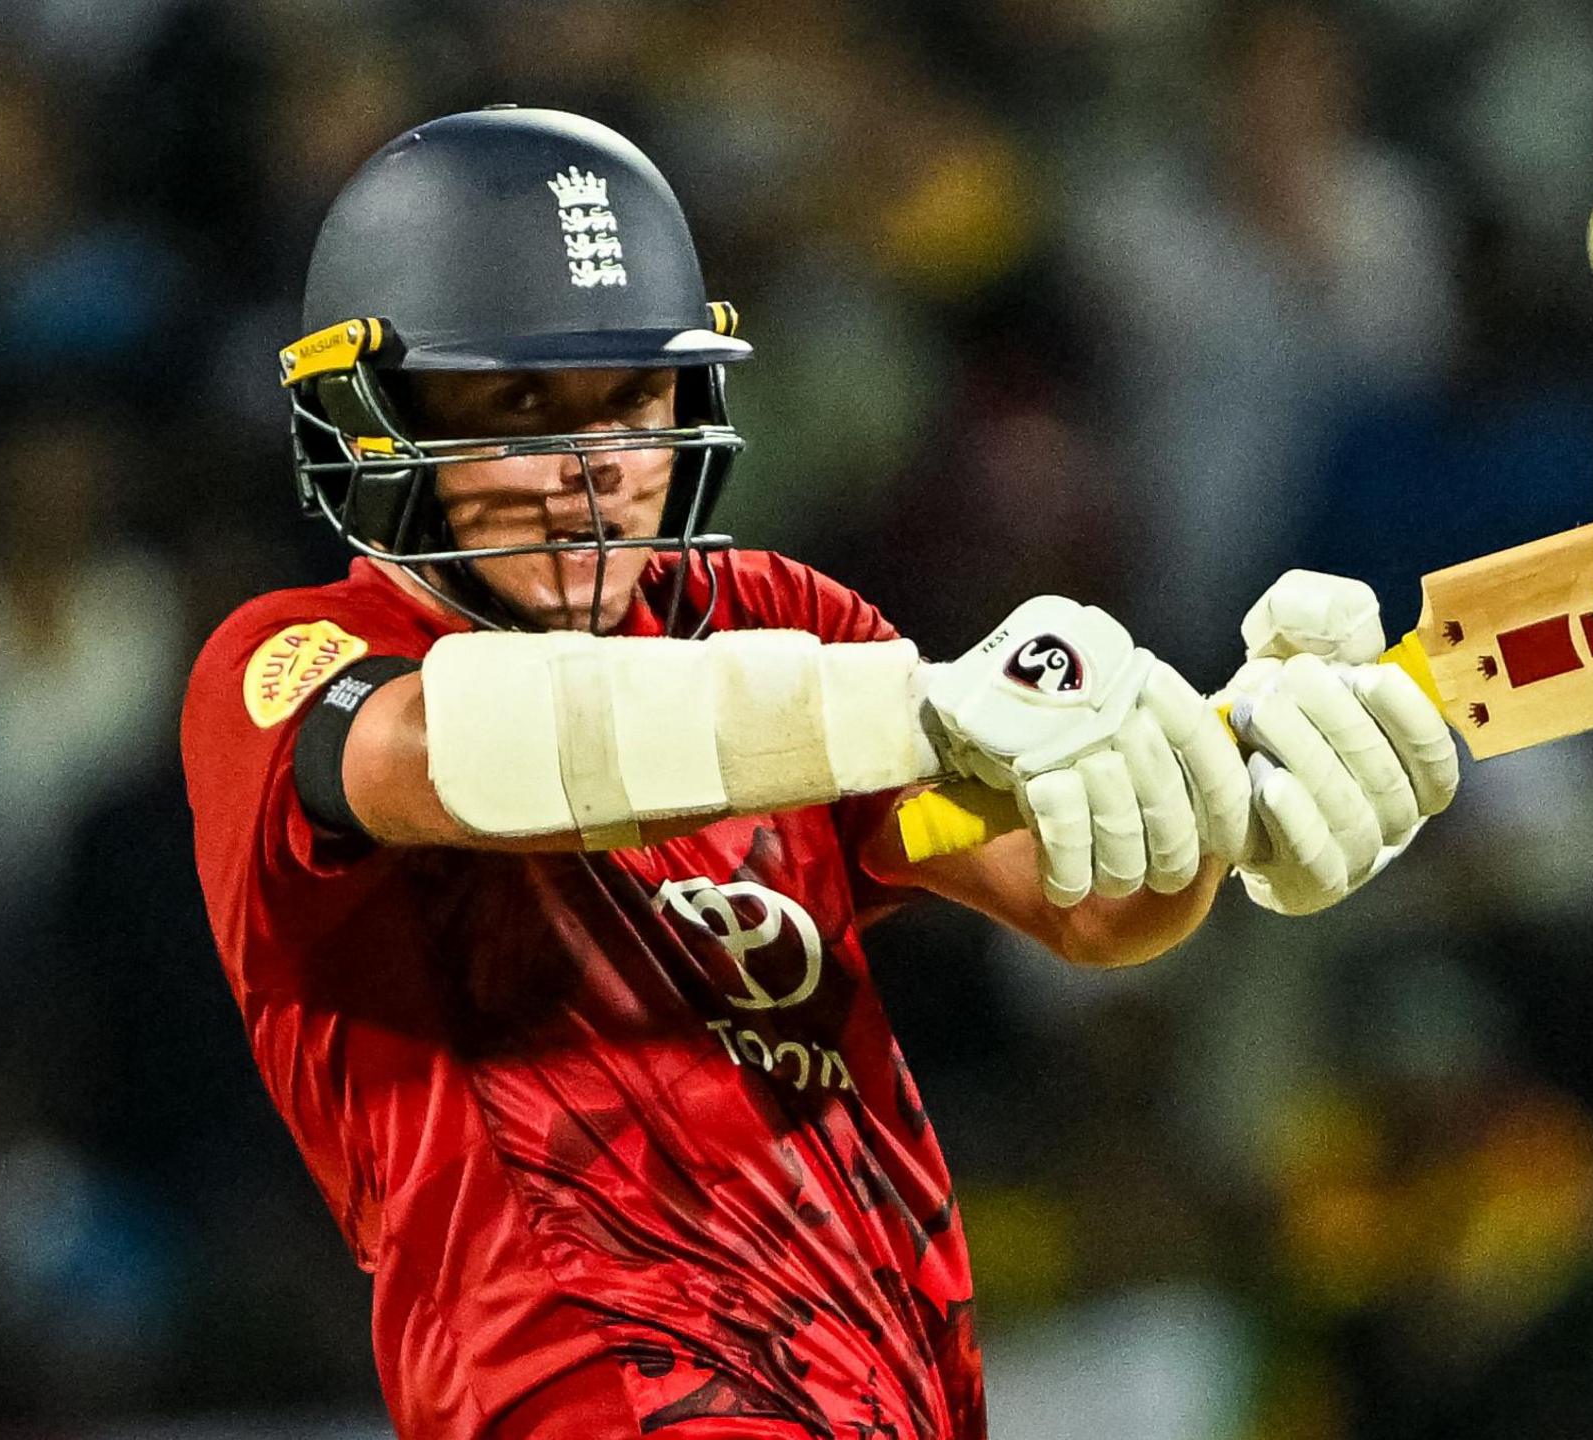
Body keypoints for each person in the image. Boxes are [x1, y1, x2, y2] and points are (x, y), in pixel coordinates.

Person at [179, 107, 1455, 1440]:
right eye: (514, 402)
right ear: (368, 418)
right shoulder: (287, 663)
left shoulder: (772, 622)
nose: (593, 472)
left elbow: (1079, 898)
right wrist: (917, 702)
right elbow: (461, 749)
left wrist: (1216, 799)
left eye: (629, 398)